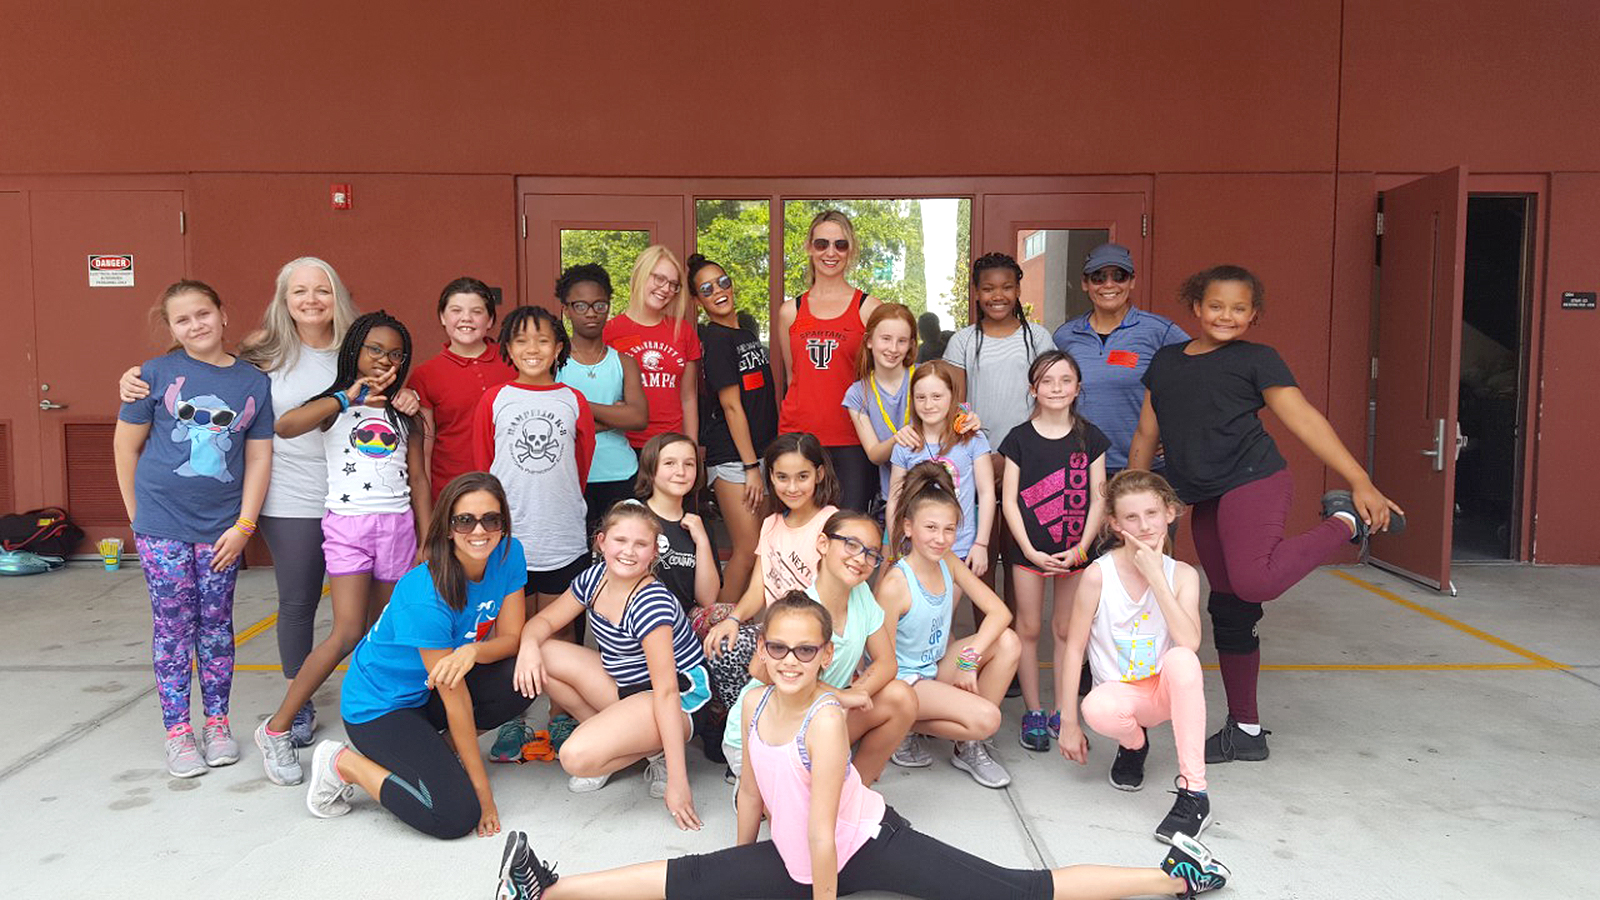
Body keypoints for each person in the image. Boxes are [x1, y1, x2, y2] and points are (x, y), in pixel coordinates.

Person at [495, 593, 1232, 900]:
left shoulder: (820, 718)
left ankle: (1175, 878)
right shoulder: (752, 700)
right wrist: (741, 859)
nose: (788, 659)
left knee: (1015, 891)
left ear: (822, 656)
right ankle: (550, 888)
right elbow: (750, 793)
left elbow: (821, 830)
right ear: (761, 652)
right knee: (692, 879)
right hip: (797, 854)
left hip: (864, 845)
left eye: (804, 651)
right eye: (776, 647)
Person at [1129, 265, 1405, 763]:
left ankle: (1346, 522)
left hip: (1253, 479)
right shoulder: (1167, 361)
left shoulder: (1258, 360)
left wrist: (1360, 481)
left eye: (1239, 308)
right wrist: (1133, 494)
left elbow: (1303, 419)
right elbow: (1148, 433)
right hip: (1202, 495)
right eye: (1216, 305)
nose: (1226, 316)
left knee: (1254, 582)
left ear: (1254, 315)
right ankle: (1246, 731)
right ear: (1196, 307)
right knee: (1229, 608)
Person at [117, 257, 397, 747]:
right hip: (292, 494)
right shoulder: (260, 353)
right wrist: (135, 379)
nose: (311, 300)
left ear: (338, 296)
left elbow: (390, 390)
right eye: (299, 291)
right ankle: (299, 699)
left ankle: (374, 694)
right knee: (298, 600)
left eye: (322, 290)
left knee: (368, 611)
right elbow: (198, 365)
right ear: (282, 300)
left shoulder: (359, 349)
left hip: (359, 493)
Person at [302, 472, 531, 839]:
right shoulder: (426, 594)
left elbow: (512, 639)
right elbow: (455, 701)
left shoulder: (508, 553)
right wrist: (483, 795)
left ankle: (436, 755)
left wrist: (472, 650)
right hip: (381, 707)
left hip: (427, 694)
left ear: (503, 524)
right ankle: (343, 763)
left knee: (524, 676)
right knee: (455, 817)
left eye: (491, 519)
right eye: (464, 520)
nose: (479, 531)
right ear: (447, 528)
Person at [256, 310, 431, 786]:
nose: (385, 360)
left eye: (396, 353)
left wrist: (427, 538)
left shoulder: (406, 413)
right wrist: (343, 395)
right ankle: (276, 728)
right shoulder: (334, 405)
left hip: (398, 529)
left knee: (384, 634)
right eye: (375, 349)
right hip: (349, 527)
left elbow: (418, 478)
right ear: (354, 350)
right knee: (347, 631)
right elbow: (286, 426)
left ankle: (380, 725)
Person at [112, 279, 274, 777]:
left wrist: (245, 526)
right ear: (172, 328)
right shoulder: (153, 376)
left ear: (223, 314)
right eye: (182, 320)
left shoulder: (252, 382)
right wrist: (137, 515)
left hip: (222, 530)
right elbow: (125, 446)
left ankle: (218, 723)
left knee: (217, 628)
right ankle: (178, 731)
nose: (195, 325)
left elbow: (258, 455)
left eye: (203, 314)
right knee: (173, 627)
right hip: (162, 524)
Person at [512, 502, 712, 825]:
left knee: (575, 757)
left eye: (640, 544)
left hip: (680, 700)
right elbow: (543, 622)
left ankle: (659, 753)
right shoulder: (594, 578)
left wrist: (678, 782)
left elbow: (666, 691)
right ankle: (622, 741)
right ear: (602, 542)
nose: (629, 552)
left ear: (653, 554)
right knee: (543, 655)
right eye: (620, 540)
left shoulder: (650, 603)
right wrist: (528, 644)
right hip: (627, 686)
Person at [1057, 470, 1213, 843]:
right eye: (1131, 517)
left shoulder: (1183, 575)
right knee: (1094, 707)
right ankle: (1133, 746)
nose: (1144, 526)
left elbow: (1188, 641)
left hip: (1163, 691)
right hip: (1119, 694)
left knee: (1183, 660)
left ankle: (1195, 793)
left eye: (1152, 514)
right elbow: (1073, 647)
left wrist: (1157, 577)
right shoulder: (1098, 576)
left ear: (1170, 514)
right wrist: (1067, 722)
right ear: (1113, 523)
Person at [719, 513, 916, 787]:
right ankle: (758, 789)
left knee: (901, 696)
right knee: (795, 819)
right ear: (823, 544)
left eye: (871, 553)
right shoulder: (800, 607)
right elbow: (759, 670)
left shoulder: (861, 595)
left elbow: (886, 663)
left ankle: (853, 789)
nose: (860, 558)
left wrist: (856, 694)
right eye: (850, 544)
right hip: (769, 730)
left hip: (821, 717)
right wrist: (839, 697)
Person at [879, 463, 1021, 788]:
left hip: (935, 667)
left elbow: (999, 612)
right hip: (904, 683)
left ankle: (966, 746)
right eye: (930, 528)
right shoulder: (896, 584)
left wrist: (968, 661)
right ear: (908, 527)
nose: (940, 538)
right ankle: (901, 727)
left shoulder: (949, 562)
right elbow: (883, 664)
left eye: (949, 529)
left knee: (1008, 642)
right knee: (987, 719)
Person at [999, 350, 1109, 753]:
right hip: (1029, 553)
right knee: (1027, 630)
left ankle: (1064, 710)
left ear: (1078, 387)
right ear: (1033, 389)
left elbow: (1099, 498)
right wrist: (1027, 548)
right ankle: (1034, 711)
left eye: (1065, 380)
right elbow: (1009, 501)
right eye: (1047, 381)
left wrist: (1081, 547)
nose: (1056, 388)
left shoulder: (1090, 436)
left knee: (1066, 630)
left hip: (1074, 554)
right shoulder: (1018, 438)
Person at [474, 305, 596, 641]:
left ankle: (563, 696)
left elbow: (581, 465)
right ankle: (515, 695)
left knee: (560, 632)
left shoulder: (573, 400)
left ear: (558, 348)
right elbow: (485, 468)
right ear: (508, 349)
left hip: (562, 537)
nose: (532, 349)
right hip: (511, 537)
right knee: (512, 632)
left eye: (542, 341)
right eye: (521, 340)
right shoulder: (495, 399)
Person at [700, 432, 840, 717]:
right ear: (771, 478)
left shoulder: (831, 521)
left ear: (819, 474)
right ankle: (735, 717)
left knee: (755, 661)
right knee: (717, 638)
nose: (792, 487)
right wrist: (733, 620)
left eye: (802, 476)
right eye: (782, 477)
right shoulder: (771, 524)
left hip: (813, 633)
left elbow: (836, 598)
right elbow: (757, 590)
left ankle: (759, 717)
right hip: (775, 631)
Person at [776, 210, 883, 513]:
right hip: (800, 437)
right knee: (800, 529)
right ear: (809, 247)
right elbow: (792, 376)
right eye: (822, 244)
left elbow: (882, 378)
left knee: (848, 531)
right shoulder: (790, 312)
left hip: (853, 438)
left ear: (851, 251)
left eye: (840, 245)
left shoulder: (869, 309)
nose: (831, 252)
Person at [1052, 243, 1189, 478]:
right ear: (1085, 284)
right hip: (1078, 468)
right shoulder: (1065, 336)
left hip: (1146, 468)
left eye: (1119, 276)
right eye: (1098, 277)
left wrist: (1179, 432)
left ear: (1132, 281)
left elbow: (1200, 376)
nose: (1109, 285)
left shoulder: (1159, 331)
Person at [691, 252, 777, 609]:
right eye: (707, 288)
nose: (719, 291)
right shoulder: (714, 340)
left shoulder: (742, 332)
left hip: (759, 456)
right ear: (698, 300)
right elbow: (730, 406)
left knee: (762, 550)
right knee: (745, 549)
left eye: (723, 282)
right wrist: (750, 467)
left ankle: (740, 630)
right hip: (736, 460)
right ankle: (710, 630)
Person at [557, 263, 649, 542]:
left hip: (621, 475)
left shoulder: (624, 363)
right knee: (579, 561)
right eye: (580, 305)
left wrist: (577, 405)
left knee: (620, 556)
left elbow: (638, 418)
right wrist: (612, 416)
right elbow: (557, 422)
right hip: (571, 477)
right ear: (566, 309)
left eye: (599, 305)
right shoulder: (554, 363)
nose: (591, 313)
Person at [412, 276, 516, 501]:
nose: (466, 318)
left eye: (477, 311)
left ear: (490, 320)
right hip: (453, 493)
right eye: (456, 310)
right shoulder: (425, 375)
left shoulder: (514, 361)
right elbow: (425, 453)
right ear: (442, 317)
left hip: (512, 489)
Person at [885, 361, 995, 571]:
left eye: (937, 396)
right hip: (915, 549)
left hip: (960, 547)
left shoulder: (972, 439)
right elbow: (894, 499)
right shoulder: (906, 443)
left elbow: (986, 492)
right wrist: (896, 547)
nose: (928, 405)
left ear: (952, 397)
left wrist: (981, 543)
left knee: (946, 604)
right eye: (921, 398)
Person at [605, 245, 700, 448]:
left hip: (671, 446)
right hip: (624, 446)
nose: (666, 289)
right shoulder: (610, 331)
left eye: (673, 284)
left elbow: (688, 398)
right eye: (659, 279)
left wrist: (691, 448)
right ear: (641, 274)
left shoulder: (682, 330)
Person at [842, 302, 919, 511]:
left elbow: (955, 417)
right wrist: (898, 438)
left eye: (901, 341)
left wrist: (967, 418)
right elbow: (875, 454)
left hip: (933, 493)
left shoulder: (924, 376)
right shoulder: (858, 394)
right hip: (892, 497)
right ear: (869, 341)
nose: (893, 349)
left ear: (911, 344)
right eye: (886, 339)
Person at [636, 432, 720, 618]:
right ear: (651, 469)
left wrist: (702, 542)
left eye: (689, 464)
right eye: (669, 463)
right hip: (640, 623)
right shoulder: (633, 518)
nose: (681, 472)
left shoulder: (699, 525)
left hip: (684, 629)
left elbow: (707, 600)